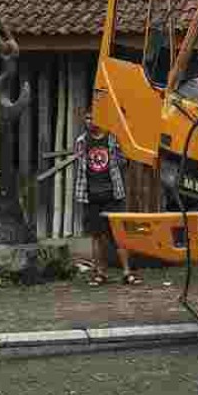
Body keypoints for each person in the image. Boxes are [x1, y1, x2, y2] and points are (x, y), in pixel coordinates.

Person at [74, 108, 140, 285]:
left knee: (119, 236)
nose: (90, 121)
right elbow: (80, 166)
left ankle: (127, 273)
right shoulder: (81, 141)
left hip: (113, 194)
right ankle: (99, 274)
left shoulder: (112, 138)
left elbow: (123, 161)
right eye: (87, 118)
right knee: (96, 236)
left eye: (93, 118)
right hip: (90, 196)